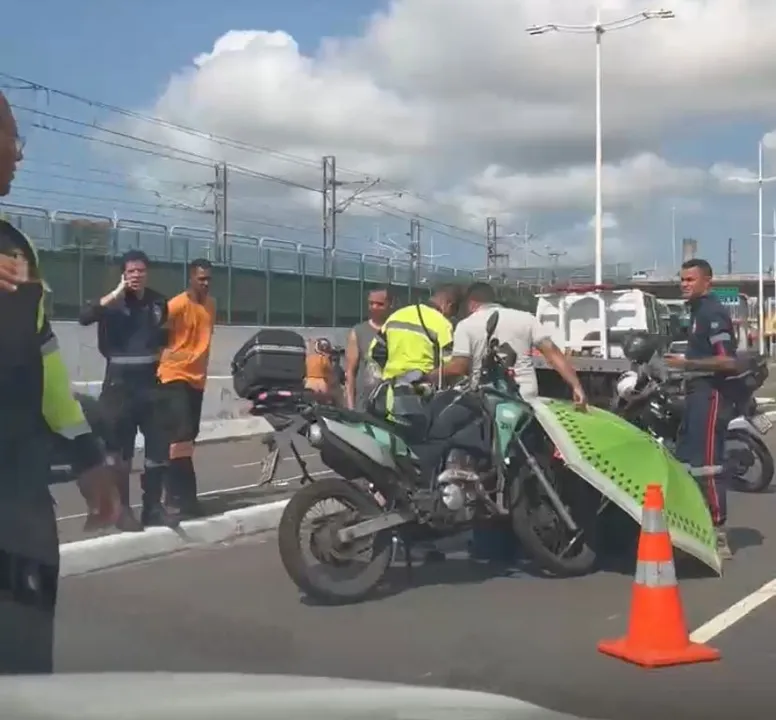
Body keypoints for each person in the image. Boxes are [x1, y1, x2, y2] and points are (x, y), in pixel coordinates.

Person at [0, 91, 112, 673]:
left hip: (17, 499)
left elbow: (46, 365)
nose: (18, 155)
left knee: (24, 663)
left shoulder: (18, 249)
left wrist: (87, 456)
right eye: (11, 137)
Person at [78, 249, 174, 529]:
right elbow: (85, 316)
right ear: (123, 274)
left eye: (140, 270)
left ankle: (153, 507)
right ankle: (124, 511)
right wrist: (115, 293)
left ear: (147, 273)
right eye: (130, 271)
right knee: (121, 452)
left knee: (158, 448)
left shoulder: (158, 301)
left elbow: (162, 336)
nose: (136, 275)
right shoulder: (111, 303)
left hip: (150, 384)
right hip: (119, 385)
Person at [665, 258, 738, 560]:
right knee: (687, 459)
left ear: (708, 281)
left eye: (690, 280)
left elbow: (727, 361)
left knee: (708, 464)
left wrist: (687, 364)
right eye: (682, 280)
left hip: (712, 394)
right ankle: (692, 524)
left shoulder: (712, 313)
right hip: (694, 392)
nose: (684, 285)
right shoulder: (694, 312)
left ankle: (719, 532)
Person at [443, 282, 588, 409]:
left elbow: (458, 366)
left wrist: (431, 376)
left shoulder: (466, 325)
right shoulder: (526, 318)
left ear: (472, 303)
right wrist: (576, 386)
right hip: (525, 396)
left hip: (487, 398)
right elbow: (553, 353)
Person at [157, 259, 216, 519]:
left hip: (197, 378)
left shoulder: (211, 305)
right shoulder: (177, 304)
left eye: (208, 279)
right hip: (173, 374)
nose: (205, 283)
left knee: (189, 436)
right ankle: (176, 496)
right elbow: (156, 330)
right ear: (191, 278)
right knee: (179, 435)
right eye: (201, 278)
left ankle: (183, 495)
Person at [371, 284, 460, 383]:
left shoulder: (396, 316)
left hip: (391, 386)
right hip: (422, 388)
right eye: (453, 312)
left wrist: (386, 376)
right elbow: (449, 364)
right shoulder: (442, 324)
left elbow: (374, 351)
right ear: (449, 305)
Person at [345, 287, 392, 411]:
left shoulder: (396, 330)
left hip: (390, 404)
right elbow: (350, 372)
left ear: (390, 305)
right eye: (371, 303)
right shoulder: (358, 331)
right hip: (364, 405)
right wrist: (350, 407)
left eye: (380, 304)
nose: (374, 307)